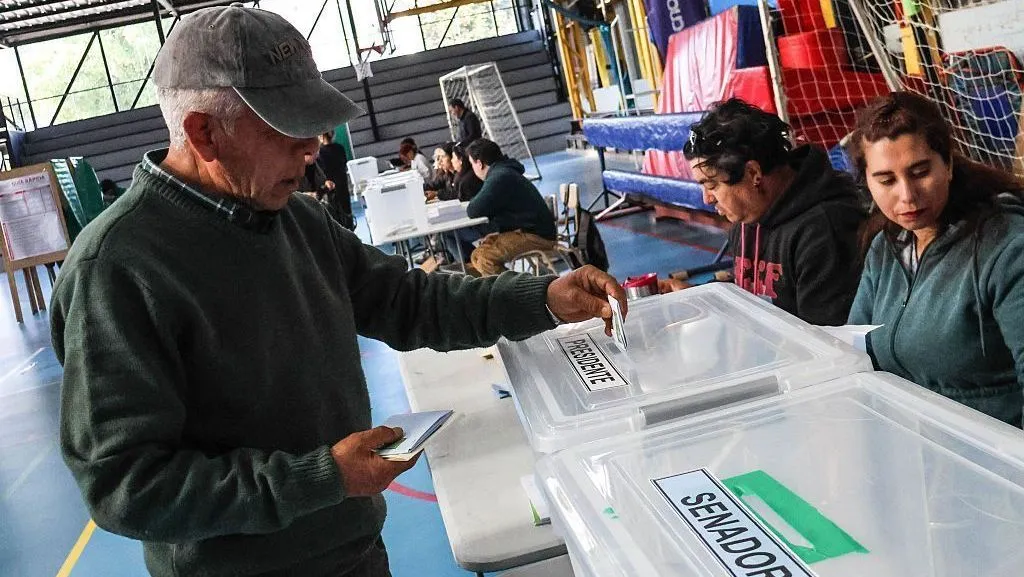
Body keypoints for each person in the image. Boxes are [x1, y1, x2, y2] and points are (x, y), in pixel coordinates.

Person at [49, 7, 628, 577]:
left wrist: (544, 298)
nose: (312, 148)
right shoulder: (118, 269)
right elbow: (125, 484)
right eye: (287, 129)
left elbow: (409, 301)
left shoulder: (294, 220)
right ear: (203, 132)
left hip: (354, 553)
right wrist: (321, 477)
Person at [847, 91, 1024, 428]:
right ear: (867, 183)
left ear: (949, 165)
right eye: (886, 180)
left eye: (920, 172)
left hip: (993, 456)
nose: (907, 195)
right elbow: (854, 351)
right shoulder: (887, 246)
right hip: (913, 445)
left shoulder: (1008, 249)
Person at [661, 98, 866, 326]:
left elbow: (826, 345)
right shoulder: (748, 220)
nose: (706, 198)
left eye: (711, 185)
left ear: (752, 173)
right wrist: (698, 299)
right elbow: (753, 308)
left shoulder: (825, 230)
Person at [465, 139, 557, 276]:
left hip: (537, 235)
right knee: (477, 255)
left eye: (472, 163)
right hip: (529, 230)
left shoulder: (499, 177)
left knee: (485, 258)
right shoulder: (503, 172)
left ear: (479, 163)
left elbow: (473, 210)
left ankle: (513, 292)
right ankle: (510, 287)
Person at [315, 131, 354, 229]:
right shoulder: (339, 148)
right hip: (342, 182)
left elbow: (320, 171)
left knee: (334, 213)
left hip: (330, 185)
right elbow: (344, 163)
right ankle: (350, 230)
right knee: (346, 210)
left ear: (320, 137)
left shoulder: (320, 152)